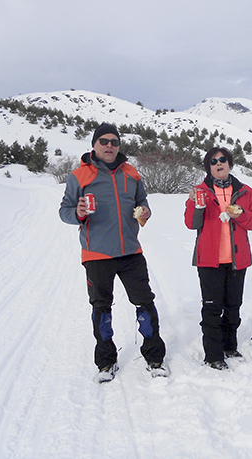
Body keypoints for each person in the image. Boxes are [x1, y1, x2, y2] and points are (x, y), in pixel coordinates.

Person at [59, 123, 168, 383]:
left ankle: (154, 357)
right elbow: (64, 210)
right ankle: (106, 363)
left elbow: (143, 201)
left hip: (130, 251)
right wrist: (78, 213)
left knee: (145, 303)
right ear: (94, 145)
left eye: (114, 142)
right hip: (96, 254)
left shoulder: (131, 173)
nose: (110, 146)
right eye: (104, 141)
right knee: (101, 308)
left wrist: (145, 210)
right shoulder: (79, 176)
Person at [184, 147, 252, 370]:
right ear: (208, 168)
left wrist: (242, 214)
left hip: (238, 260)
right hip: (209, 260)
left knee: (233, 306)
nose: (218, 164)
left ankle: (230, 346)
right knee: (212, 308)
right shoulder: (200, 191)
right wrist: (194, 203)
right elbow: (191, 223)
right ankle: (213, 355)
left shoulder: (245, 192)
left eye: (222, 160)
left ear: (229, 164)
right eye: (213, 161)